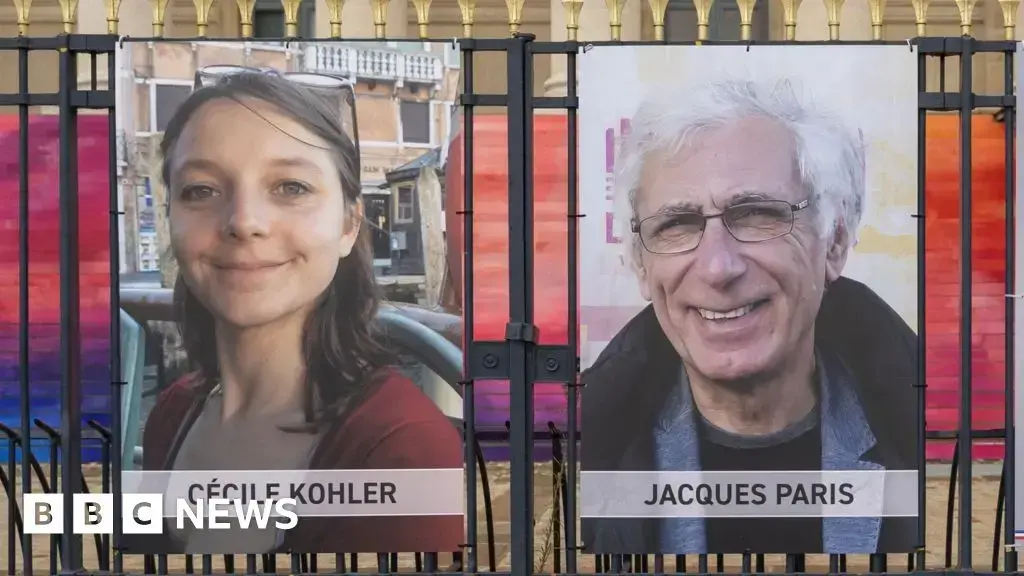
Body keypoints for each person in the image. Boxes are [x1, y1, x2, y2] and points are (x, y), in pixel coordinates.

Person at [130, 71, 463, 555]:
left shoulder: (403, 451)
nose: (244, 221)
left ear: (350, 224)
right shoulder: (172, 413)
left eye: (291, 186)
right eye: (200, 190)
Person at [581, 78, 918, 554]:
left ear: (835, 242)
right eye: (677, 224)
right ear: (640, 264)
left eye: (758, 214)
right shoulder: (579, 460)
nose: (719, 267)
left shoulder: (938, 446)